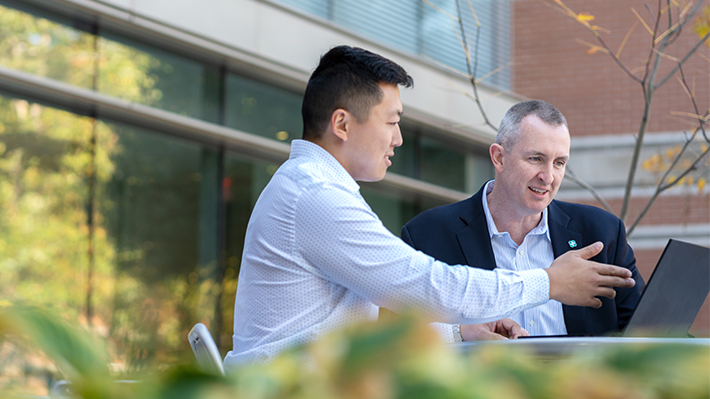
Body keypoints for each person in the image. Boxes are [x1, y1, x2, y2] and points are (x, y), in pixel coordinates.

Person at [224, 46, 636, 367]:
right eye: (392, 121)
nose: (398, 138)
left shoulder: (316, 190)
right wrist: (547, 283)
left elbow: (369, 325)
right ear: (342, 124)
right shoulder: (315, 198)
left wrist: (461, 335)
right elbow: (426, 287)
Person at [401, 100, 645, 337]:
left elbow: (649, 331)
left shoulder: (602, 232)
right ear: (499, 158)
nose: (548, 177)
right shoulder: (428, 235)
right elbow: (400, 336)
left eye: (559, 163)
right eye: (536, 159)